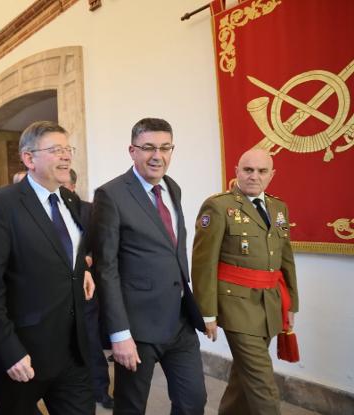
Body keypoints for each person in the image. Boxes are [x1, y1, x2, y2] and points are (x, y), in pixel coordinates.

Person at [0, 121, 95, 415]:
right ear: (29, 159)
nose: (66, 156)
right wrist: (9, 349)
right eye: (56, 150)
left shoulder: (70, 200)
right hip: (24, 354)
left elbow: (66, 255)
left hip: (73, 351)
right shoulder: (2, 205)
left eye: (68, 149)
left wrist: (82, 272)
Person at [91, 118, 207, 414]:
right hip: (137, 327)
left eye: (165, 147)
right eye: (148, 148)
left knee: (193, 401)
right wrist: (119, 334)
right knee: (131, 407)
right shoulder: (111, 195)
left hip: (180, 320)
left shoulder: (173, 188)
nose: (158, 155)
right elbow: (106, 268)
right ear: (132, 150)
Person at [191, 148, 299, 415]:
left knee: (244, 375)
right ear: (237, 171)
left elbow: (285, 257)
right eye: (248, 170)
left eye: (262, 171)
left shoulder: (278, 207)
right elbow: (203, 263)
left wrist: (291, 305)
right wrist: (207, 313)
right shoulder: (218, 206)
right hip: (235, 305)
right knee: (264, 385)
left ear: (271, 175)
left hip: (269, 304)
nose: (254, 176)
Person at [61, 169, 114, 410]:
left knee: (91, 340)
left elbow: (103, 243)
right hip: (55, 290)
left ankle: (100, 390)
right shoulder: (41, 211)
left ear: (72, 186)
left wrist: (89, 257)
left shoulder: (90, 209)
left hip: (85, 289)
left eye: (63, 185)